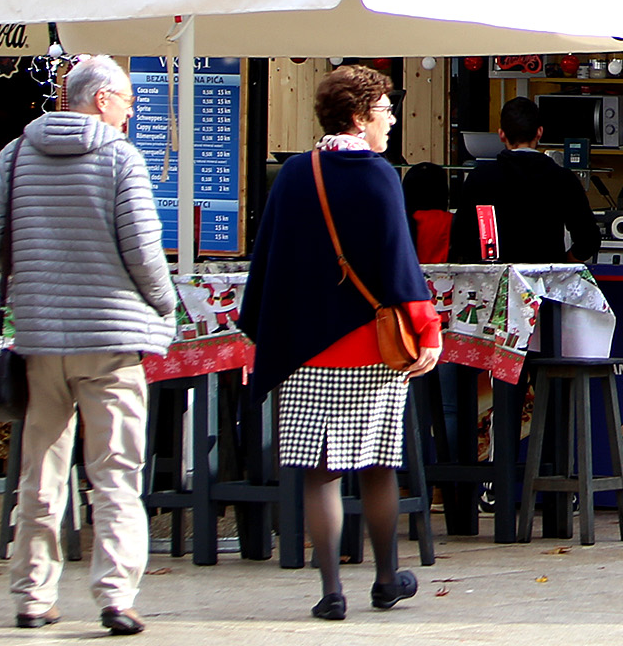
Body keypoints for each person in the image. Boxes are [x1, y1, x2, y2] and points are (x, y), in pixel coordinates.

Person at [0, 56, 177, 638]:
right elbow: (142, 249)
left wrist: (32, 267)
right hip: (111, 341)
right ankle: (115, 596)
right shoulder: (120, 158)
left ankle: (33, 595)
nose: (133, 112)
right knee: (115, 472)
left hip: (40, 339)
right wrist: (164, 304)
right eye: (130, 101)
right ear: (105, 98)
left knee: (41, 471)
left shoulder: (15, 155)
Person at [240, 65, 443, 622]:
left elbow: (267, 263)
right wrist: (427, 330)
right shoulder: (379, 176)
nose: (393, 120)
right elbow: (401, 266)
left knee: (320, 471)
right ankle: (384, 579)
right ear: (359, 117)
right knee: (378, 465)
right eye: (385, 111)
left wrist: (266, 330)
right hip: (371, 349)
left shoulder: (292, 174)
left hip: (305, 349)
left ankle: (330, 590)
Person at [451, 97, 600, 264]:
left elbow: (460, 240)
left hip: (494, 282)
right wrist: (562, 265)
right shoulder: (562, 179)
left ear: (501, 134)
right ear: (539, 132)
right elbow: (589, 240)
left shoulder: (480, 177)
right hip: (545, 283)